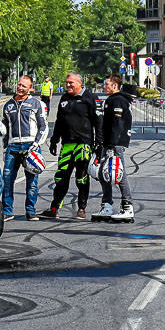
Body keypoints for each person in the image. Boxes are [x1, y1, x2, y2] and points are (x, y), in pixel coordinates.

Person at [42, 72, 97, 220]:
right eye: (66, 82)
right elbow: (59, 121)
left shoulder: (89, 98)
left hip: (83, 144)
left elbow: (98, 122)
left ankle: (82, 209)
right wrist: (54, 140)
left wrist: (99, 144)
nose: (68, 85)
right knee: (61, 178)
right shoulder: (64, 98)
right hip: (67, 144)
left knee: (81, 178)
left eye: (71, 82)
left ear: (79, 83)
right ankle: (54, 208)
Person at [0, 75, 48, 221]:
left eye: (24, 86)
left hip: (31, 146)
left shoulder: (36, 103)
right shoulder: (8, 105)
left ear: (30, 88)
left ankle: (30, 211)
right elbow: (5, 130)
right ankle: (7, 211)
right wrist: (5, 147)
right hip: (13, 147)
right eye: (19, 85)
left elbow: (43, 126)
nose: (20, 88)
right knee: (7, 178)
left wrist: (36, 144)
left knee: (32, 181)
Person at [94, 74, 135, 222]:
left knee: (119, 174)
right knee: (103, 174)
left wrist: (112, 145)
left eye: (107, 84)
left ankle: (127, 207)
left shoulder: (118, 100)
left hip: (114, 144)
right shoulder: (112, 99)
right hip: (108, 143)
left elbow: (118, 125)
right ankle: (107, 206)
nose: (104, 86)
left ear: (115, 86)